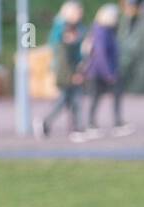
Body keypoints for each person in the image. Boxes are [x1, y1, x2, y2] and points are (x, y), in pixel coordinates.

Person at [83, 3, 134, 136]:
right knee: (98, 98)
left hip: (102, 71)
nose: (117, 19)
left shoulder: (106, 30)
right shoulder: (101, 31)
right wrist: (109, 73)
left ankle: (103, 123)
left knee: (101, 98)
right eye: (115, 16)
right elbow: (101, 54)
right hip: (100, 72)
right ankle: (94, 124)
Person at [41, 2, 87, 140]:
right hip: (65, 71)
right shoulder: (63, 29)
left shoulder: (77, 27)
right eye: (77, 12)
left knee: (71, 100)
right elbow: (62, 56)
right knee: (68, 100)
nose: (80, 14)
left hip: (73, 69)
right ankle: (50, 123)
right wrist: (72, 74)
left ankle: (74, 128)